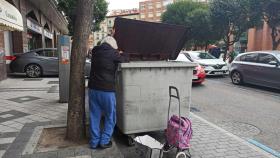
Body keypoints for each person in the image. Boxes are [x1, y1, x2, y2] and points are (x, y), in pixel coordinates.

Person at [88, 36, 128, 149]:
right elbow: (125, 59)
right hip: (106, 90)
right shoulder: (113, 53)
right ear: (113, 45)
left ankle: (94, 142)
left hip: (93, 90)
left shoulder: (95, 51)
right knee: (110, 116)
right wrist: (122, 53)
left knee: (94, 116)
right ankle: (104, 141)